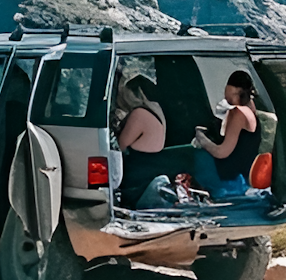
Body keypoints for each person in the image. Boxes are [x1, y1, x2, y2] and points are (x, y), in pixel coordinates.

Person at [191, 71, 262, 200]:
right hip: (243, 174)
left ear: (235, 91)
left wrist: (201, 138)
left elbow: (222, 152)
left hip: (231, 178)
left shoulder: (238, 113)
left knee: (193, 156)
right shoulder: (250, 108)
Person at [112, 75, 174, 208]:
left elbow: (120, 146)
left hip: (137, 183)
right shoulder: (157, 110)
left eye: (126, 95)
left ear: (137, 93)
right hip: (150, 175)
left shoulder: (139, 114)